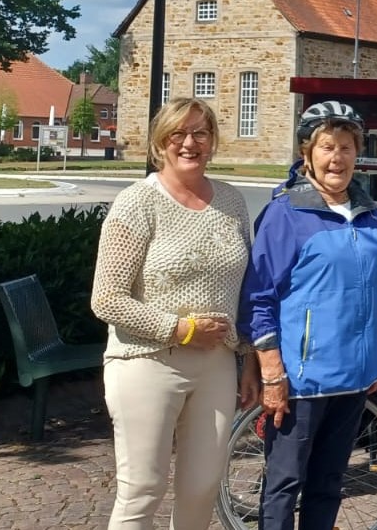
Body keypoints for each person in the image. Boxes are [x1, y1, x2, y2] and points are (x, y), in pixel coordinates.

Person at [91, 97, 255, 530]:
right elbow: (106, 298)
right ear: (159, 143)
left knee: (203, 487)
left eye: (200, 133)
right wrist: (179, 329)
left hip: (217, 365)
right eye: (177, 134)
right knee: (142, 489)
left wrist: (252, 359)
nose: (189, 143)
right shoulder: (137, 203)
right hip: (147, 363)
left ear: (213, 141)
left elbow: (250, 290)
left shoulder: (233, 204)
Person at [237, 101, 377, 530]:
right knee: (285, 485)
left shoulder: (369, 215)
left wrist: (371, 356)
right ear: (307, 152)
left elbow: (367, 292)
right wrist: (271, 371)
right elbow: (259, 296)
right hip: (302, 379)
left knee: (329, 483)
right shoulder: (286, 215)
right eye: (327, 146)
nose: (337, 157)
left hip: (355, 375)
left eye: (346, 146)